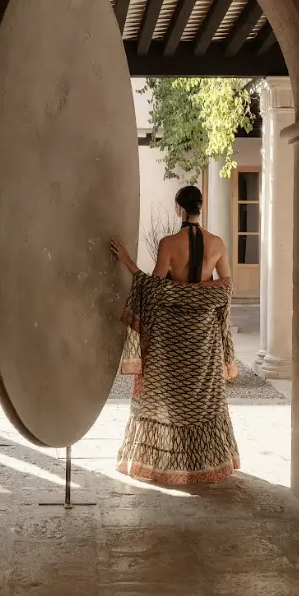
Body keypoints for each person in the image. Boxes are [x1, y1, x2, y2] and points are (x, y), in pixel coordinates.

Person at [110, 185, 240, 485]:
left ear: (178, 209)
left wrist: (128, 262)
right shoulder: (218, 243)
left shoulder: (169, 243)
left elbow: (155, 289)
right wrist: (199, 297)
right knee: (203, 399)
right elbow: (225, 288)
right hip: (205, 337)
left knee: (168, 397)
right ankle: (205, 462)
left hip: (171, 336)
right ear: (201, 207)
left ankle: (166, 462)